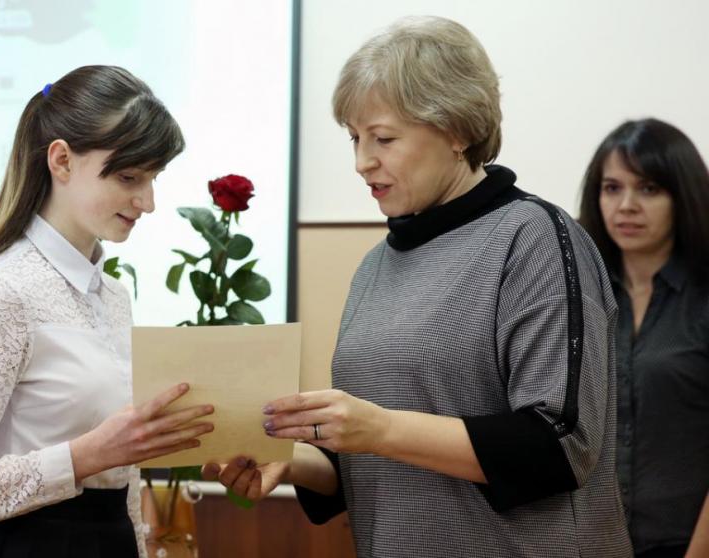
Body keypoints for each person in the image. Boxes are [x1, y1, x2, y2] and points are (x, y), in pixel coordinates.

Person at [205, 16, 631, 557]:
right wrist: (294, 462)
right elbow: (374, 456)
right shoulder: (375, 267)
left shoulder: (533, 238)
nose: (362, 162)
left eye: (383, 138)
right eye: (354, 138)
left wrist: (378, 429)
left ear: (457, 130)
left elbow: (559, 444)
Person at [0, 65, 215, 558]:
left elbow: (124, 481)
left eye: (154, 178)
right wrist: (85, 455)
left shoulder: (114, 296)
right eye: (129, 177)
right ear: (61, 161)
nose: (148, 202)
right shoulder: (1, 292)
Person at [578, 118, 709, 558]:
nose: (627, 206)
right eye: (612, 188)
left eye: (649, 189)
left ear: (683, 195)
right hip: (595, 542)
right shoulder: (578, 297)